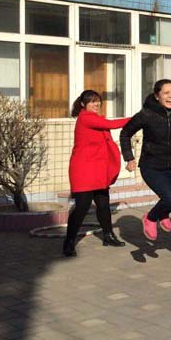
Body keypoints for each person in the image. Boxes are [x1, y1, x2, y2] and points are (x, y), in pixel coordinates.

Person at [120, 79, 171, 242]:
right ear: (157, 96)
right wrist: (129, 157)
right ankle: (151, 218)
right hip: (152, 167)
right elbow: (125, 133)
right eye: (166, 93)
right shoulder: (146, 114)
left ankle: (163, 212)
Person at [63, 90, 130, 257]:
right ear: (83, 104)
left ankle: (108, 236)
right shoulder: (86, 117)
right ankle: (69, 242)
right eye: (92, 101)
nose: (96, 104)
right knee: (82, 207)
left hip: (97, 169)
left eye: (98, 101)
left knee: (103, 204)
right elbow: (111, 124)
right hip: (84, 170)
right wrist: (138, 118)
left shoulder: (94, 118)